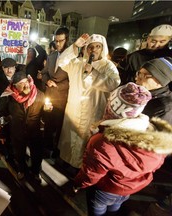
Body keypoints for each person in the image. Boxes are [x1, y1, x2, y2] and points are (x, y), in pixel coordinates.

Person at [73, 82, 172, 216]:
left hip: (105, 189)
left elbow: (92, 173)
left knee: (98, 211)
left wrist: (79, 184)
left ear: (111, 107)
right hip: (130, 189)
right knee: (115, 209)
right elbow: (156, 164)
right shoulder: (154, 133)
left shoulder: (102, 141)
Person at [57, 33, 120, 169]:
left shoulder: (108, 66)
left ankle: (80, 167)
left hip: (94, 110)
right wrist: (74, 46)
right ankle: (66, 161)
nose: (94, 49)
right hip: (74, 109)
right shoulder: (78, 63)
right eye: (91, 46)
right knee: (71, 135)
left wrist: (93, 73)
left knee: (86, 140)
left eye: (98, 46)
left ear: (102, 49)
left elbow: (113, 83)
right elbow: (61, 62)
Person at [0, 72, 51, 181]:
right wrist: (2, 132)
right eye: (21, 84)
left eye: (26, 82)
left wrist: (47, 111)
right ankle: (21, 170)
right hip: (17, 131)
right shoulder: (8, 96)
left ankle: (36, 171)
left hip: (34, 131)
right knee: (19, 153)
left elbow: (44, 117)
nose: (26, 85)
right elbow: (2, 114)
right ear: (15, 86)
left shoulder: (39, 94)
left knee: (36, 154)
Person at [40, 26, 70, 156]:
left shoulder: (73, 58)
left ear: (67, 40)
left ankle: (57, 150)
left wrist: (58, 85)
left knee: (59, 126)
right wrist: (47, 81)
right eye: (56, 41)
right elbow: (44, 73)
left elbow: (73, 80)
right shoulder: (51, 56)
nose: (58, 44)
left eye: (61, 41)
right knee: (48, 123)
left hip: (62, 98)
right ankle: (46, 148)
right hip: (49, 96)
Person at [135, 57, 172, 123]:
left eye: (144, 75)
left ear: (160, 81)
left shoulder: (164, 109)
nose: (137, 78)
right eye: (139, 73)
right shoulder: (140, 91)